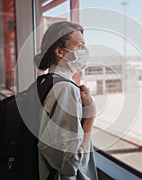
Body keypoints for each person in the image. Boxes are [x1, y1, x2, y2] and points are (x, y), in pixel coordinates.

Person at [34, 21, 98, 180]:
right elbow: (70, 164)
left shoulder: (45, 81)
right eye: (80, 46)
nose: (85, 51)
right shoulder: (65, 89)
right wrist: (90, 116)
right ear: (59, 51)